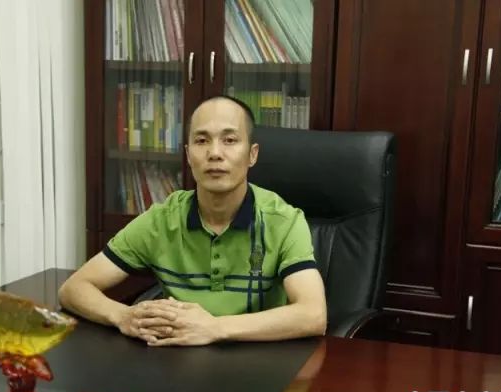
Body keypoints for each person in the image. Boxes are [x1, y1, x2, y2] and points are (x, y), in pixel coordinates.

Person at [59, 95, 327, 346]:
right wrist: (122, 316)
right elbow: (73, 289)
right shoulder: (161, 221)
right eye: (202, 141)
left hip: (260, 361)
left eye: (230, 140)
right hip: (177, 359)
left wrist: (214, 328)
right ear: (188, 155)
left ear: (252, 154)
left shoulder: (284, 221)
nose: (215, 153)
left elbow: (314, 315)